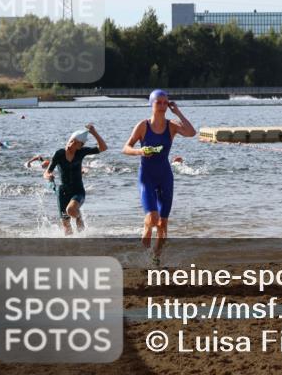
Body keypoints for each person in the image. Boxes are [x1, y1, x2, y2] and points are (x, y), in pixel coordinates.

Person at [122, 89, 196, 266]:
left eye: (165, 102)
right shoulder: (143, 126)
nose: (162, 106)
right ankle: (146, 234)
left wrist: (177, 111)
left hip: (165, 176)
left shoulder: (171, 126)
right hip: (147, 176)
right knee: (153, 220)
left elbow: (192, 132)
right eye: (158, 102)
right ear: (151, 104)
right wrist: (140, 151)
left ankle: (156, 258)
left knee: (163, 224)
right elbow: (126, 148)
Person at [43, 124, 107, 235]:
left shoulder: (81, 152)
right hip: (62, 192)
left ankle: (79, 218)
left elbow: (103, 148)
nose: (70, 144)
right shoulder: (59, 154)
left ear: (80, 146)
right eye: (71, 141)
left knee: (71, 210)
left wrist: (94, 132)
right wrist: (48, 176)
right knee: (66, 227)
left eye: (74, 143)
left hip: (78, 191)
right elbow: (47, 172)